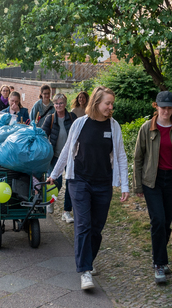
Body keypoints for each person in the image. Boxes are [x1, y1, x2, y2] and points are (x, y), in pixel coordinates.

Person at [47, 86, 129, 290]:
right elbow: (67, 150)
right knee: (83, 224)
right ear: (96, 102)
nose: (111, 107)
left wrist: (125, 184)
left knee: (96, 228)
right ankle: (84, 270)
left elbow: (120, 155)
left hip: (103, 183)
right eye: (107, 103)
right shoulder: (81, 124)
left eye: (112, 104)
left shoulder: (114, 126)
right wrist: (54, 174)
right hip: (79, 180)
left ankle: (88, 261)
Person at [133, 91, 172, 284]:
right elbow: (138, 158)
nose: (166, 111)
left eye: (169, 107)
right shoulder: (146, 129)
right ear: (156, 106)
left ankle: (160, 256)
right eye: (163, 107)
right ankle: (159, 263)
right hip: (153, 181)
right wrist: (138, 185)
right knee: (157, 220)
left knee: (166, 223)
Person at [42, 93, 77, 222]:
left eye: (61, 103)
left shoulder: (73, 117)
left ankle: (66, 212)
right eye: (56, 103)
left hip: (71, 157)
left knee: (70, 184)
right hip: (55, 156)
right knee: (56, 182)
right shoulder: (50, 119)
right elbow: (43, 135)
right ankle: (51, 201)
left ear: (65, 104)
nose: (58, 105)